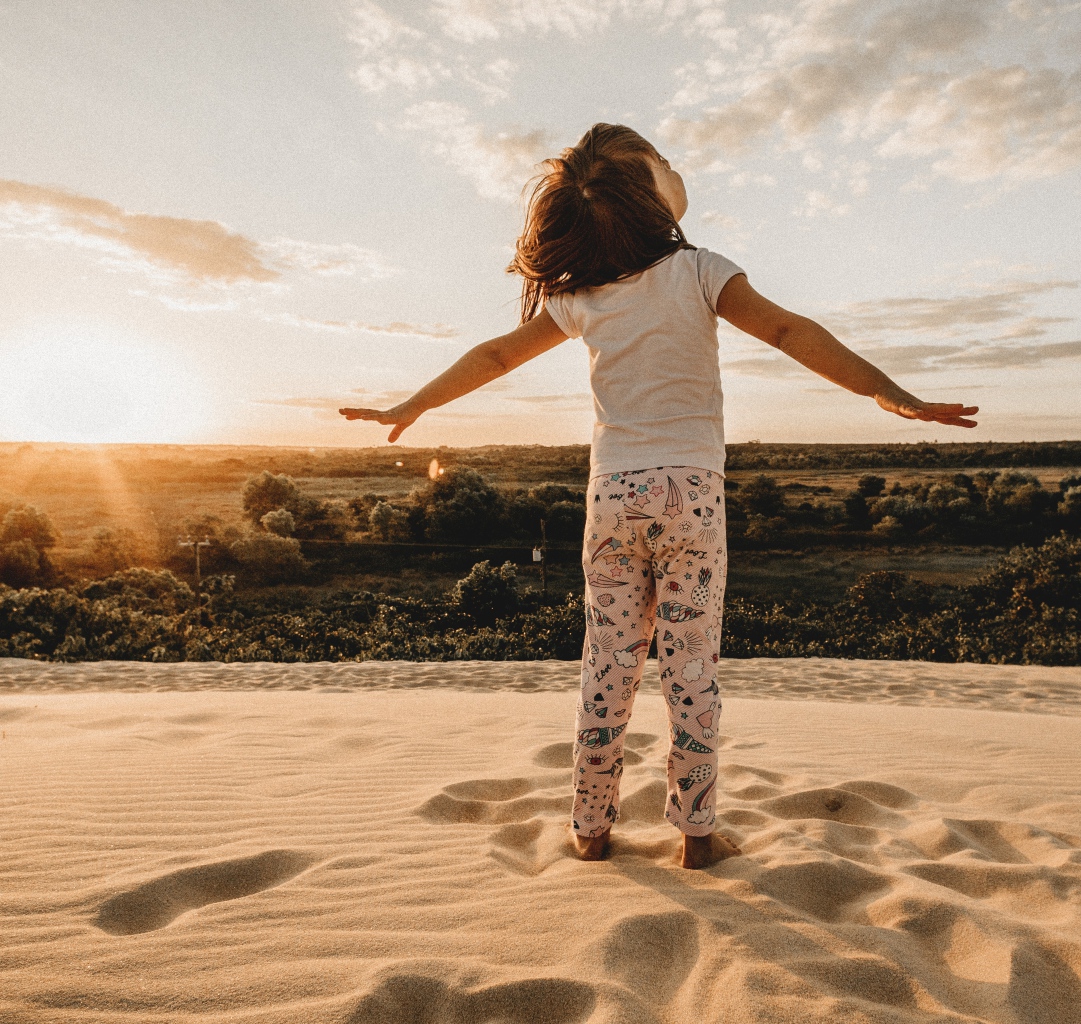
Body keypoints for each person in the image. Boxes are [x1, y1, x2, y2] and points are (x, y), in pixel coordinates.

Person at [340, 123, 977, 869]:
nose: (679, 170)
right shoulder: (702, 271)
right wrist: (887, 393)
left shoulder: (583, 296)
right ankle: (698, 837)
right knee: (692, 666)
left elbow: (494, 354)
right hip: (691, 496)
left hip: (613, 495)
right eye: (665, 162)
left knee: (607, 665)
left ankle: (590, 828)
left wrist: (414, 405)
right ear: (648, 193)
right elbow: (787, 329)